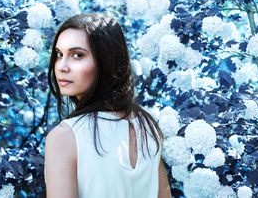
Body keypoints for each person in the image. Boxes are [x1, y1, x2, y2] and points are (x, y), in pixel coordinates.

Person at [44, 13, 172, 198]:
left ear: (106, 61)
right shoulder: (147, 126)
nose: (62, 66)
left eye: (77, 55)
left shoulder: (65, 137)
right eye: (59, 54)